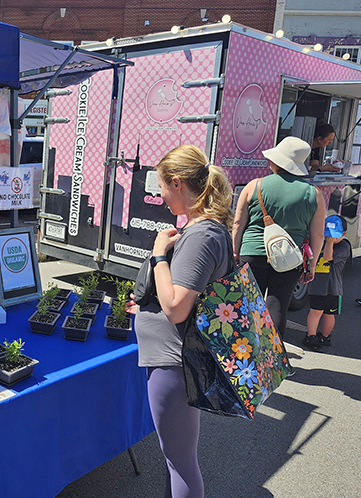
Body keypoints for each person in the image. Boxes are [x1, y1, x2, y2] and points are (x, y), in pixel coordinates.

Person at [131, 145, 234, 498]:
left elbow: (176, 308)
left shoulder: (201, 236)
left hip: (173, 362)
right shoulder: (206, 230)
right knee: (177, 457)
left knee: (179, 459)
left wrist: (159, 254)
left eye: (161, 186)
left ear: (177, 183)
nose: (160, 196)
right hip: (176, 358)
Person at [233, 136, 326, 340]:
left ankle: (244, 358)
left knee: (248, 306)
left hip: (252, 252)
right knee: (277, 307)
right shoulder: (314, 194)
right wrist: (312, 263)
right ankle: (272, 363)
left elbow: (238, 224)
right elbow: (318, 233)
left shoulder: (254, 186)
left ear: (277, 161)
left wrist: (235, 252)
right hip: (290, 258)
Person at [304, 215, 351, 352]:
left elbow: (328, 257)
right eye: (328, 235)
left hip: (333, 288)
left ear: (344, 234)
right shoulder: (319, 242)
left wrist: (329, 242)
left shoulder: (344, 247)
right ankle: (311, 336)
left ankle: (324, 336)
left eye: (335, 236)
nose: (330, 238)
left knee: (329, 314)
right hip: (317, 286)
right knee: (315, 311)